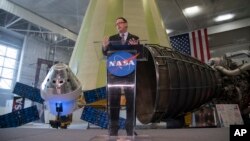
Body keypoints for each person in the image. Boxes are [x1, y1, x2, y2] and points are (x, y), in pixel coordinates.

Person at [102, 17, 140, 136]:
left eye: (120, 23)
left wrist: (137, 47)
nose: (118, 25)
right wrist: (104, 46)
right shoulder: (112, 38)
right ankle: (113, 128)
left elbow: (139, 54)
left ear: (126, 24)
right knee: (113, 101)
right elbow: (105, 53)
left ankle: (130, 128)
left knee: (131, 102)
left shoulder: (135, 38)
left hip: (130, 74)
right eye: (116, 24)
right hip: (115, 74)